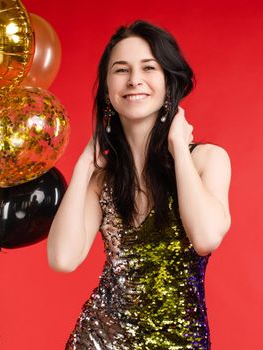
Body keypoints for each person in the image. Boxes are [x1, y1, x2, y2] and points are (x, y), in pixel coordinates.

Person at [47, 19, 231, 349]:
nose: (134, 80)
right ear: (106, 89)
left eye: (148, 68)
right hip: (99, 340)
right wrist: (82, 168)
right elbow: (63, 258)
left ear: (168, 82)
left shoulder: (207, 159)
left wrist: (178, 147)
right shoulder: (102, 180)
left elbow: (205, 238)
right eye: (121, 70)